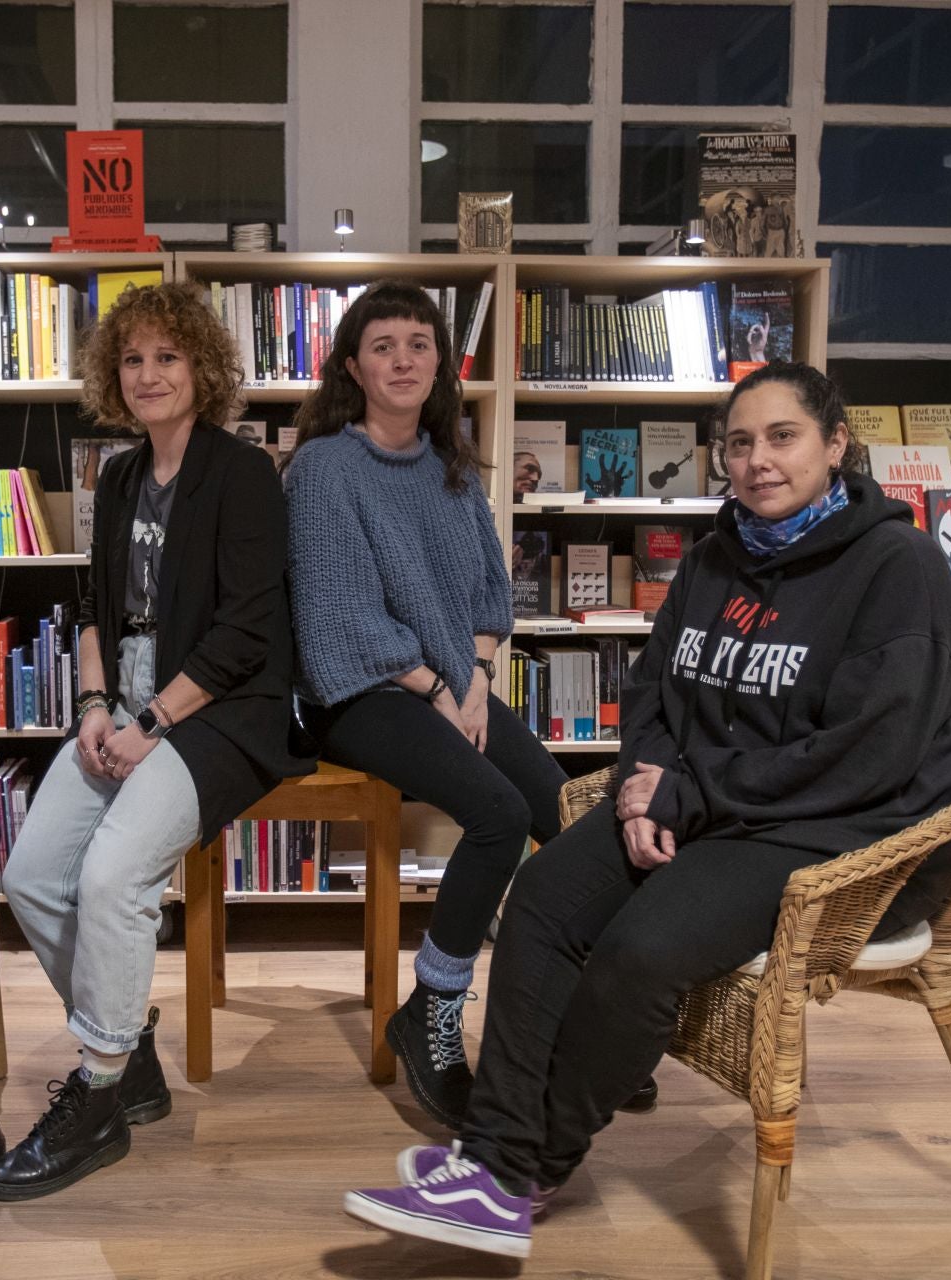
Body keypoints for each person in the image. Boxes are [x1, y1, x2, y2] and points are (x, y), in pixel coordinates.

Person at [343, 361, 951, 1258]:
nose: (758, 461)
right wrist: (643, 783)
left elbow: (870, 753)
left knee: (638, 952)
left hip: (838, 826)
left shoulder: (898, 566)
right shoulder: (720, 554)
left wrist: (689, 791)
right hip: (712, 800)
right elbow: (653, 694)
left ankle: (524, 1171)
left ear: (836, 444)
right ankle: (492, 1157)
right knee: (543, 898)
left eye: (783, 437)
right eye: (741, 443)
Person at [0, 282, 311, 1201]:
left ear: (202, 368)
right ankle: (126, 1056)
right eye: (132, 359)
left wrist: (149, 723)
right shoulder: (121, 476)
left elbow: (249, 632)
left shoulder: (243, 473)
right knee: (29, 879)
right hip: (123, 706)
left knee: (112, 878)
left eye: (167, 357)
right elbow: (91, 604)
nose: (148, 374)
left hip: (220, 714)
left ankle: (94, 1095)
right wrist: (94, 704)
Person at [285, 281, 567, 1131]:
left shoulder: (452, 462)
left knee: (568, 813)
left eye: (418, 342)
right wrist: (440, 686)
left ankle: (564, 1018)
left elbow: (488, 591)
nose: (402, 358)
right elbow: (335, 621)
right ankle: (433, 1013)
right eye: (383, 345)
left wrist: (475, 676)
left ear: (441, 361)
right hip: (360, 691)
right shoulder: (326, 466)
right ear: (352, 365)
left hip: (454, 684)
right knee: (495, 814)